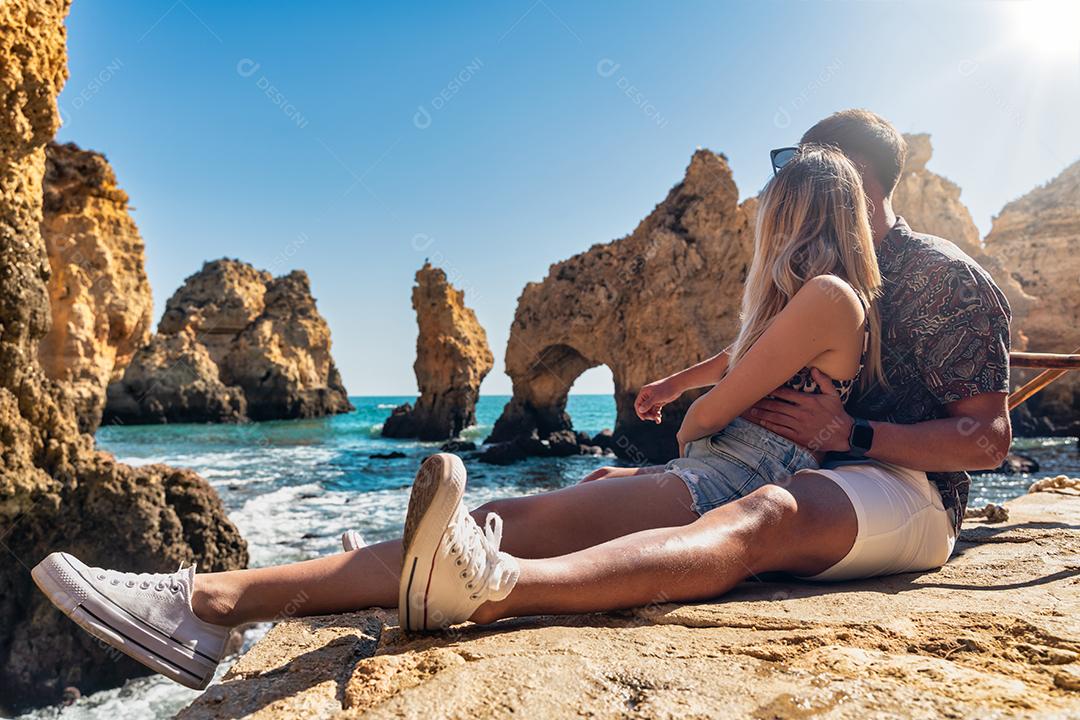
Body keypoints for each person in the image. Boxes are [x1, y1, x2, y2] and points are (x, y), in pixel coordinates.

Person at [32, 111, 1012, 693]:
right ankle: (206, 604)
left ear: (847, 179)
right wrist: (683, 387)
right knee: (502, 512)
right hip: (765, 459)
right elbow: (759, 355)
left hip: (893, 489)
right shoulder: (828, 288)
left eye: (791, 170)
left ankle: (495, 589)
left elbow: (990, 437)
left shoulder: (943, 282)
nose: (776, 192)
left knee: (762, 515)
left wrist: (852, 431)